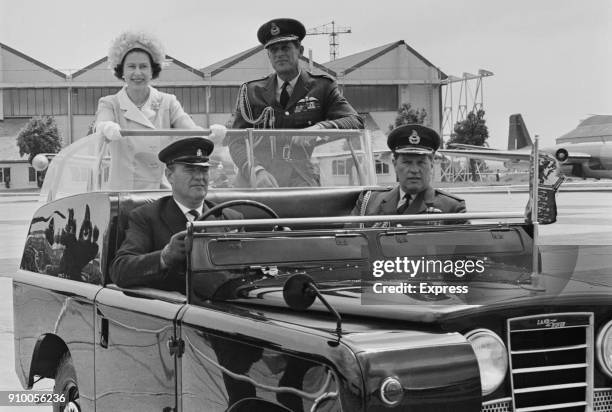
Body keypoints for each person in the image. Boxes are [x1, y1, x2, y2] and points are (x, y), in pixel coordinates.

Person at [227, 18, 364, 188]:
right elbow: (235, 140)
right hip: (256, 179)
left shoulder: (322, 87)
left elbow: (355, 121)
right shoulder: (251, 91)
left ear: (300, 50)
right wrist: (256, 170)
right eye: (274, 49)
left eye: (285, 48)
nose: (279, 54)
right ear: (268, 55)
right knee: (234, 213)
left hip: (300, 179)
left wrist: (319, 128)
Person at [110, 137, 242, 293]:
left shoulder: (230, 219)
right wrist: (164, 257)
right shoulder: (146, 217)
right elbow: (120, 270)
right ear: (169, 175)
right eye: (190, 170)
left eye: (204, 169)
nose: (199, 177)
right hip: (173, 310)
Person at [94, 31, 203, 190]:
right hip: (123, 194)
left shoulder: (168, 102)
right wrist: (107, 127)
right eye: (131, 66)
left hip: (159, 191)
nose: (137, 73)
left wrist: (212, 133)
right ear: (121, 71)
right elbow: (102, 124)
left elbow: (191, 130)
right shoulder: (110, 103)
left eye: (143, 66)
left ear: (153, 70)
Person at [352, 124, 466, 218]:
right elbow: (349, 242)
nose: (414, 170)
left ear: (431, 163)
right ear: (395, 164)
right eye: (407, 162)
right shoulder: (369, 202)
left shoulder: (452, 209)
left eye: (421, 162)